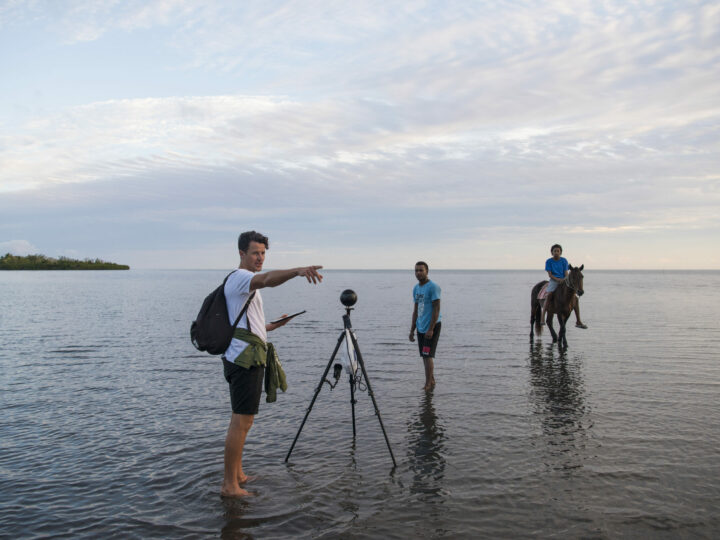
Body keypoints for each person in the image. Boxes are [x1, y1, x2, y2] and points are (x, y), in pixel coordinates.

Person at [221, 230, 323, 498]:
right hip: (244, 359)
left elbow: (247, 325)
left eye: (263, 253)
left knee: (244, 419)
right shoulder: (242, 278)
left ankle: (238, 474)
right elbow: (266, 279)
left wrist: (272, 326)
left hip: (247, 353)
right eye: (255, 253)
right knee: (241, 421)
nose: (260, 258)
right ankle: (229, 486)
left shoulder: (243, 283)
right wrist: (298, 271)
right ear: (241, 253)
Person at [409, 261, 442, 391]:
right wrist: (412, 330)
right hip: (421, 326)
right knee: (424, 355)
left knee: (428, 355)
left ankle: (428, 383)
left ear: (427, 271)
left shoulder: (433, 287)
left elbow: (436, 309)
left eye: (421, 270)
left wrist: (431, 329)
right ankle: (432, 380)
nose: (418, 273)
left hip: (431, 327)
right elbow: (415, 310)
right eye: (416, 270)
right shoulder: (416, 288)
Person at [539, 244, 587, 328]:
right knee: (549, 294)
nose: (556, 252)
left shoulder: (564, 260)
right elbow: (550, 275)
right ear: (552, 253)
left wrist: (565, 279)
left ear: (560, 252)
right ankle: (543, 317)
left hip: (564, 279)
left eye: (558, 251)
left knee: (575, 298)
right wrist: (557, 280)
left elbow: (566, 273)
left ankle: (578, 321)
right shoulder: (549, 261)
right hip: (554, 280)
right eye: (555, 251)